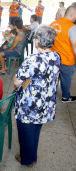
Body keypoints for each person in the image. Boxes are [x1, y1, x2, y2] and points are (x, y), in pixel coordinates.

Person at [13, 25, 61, 167]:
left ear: (38, 42)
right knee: (35, 131)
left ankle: (26, 160)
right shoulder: (56, 56)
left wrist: (24, 79)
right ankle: (32, 156)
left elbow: (16, 80)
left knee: (25, 133)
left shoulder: (33, 60)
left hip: (30, 105)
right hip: (45, 103)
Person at [50, 6, 76, 103]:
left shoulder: (53, 24)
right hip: (66, 59)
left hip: (53, 57)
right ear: (72, 14)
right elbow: (74, 44)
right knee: (66, 79)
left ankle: (51, 95)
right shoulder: (72, 27)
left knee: (53, 77)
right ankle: (65, 97)